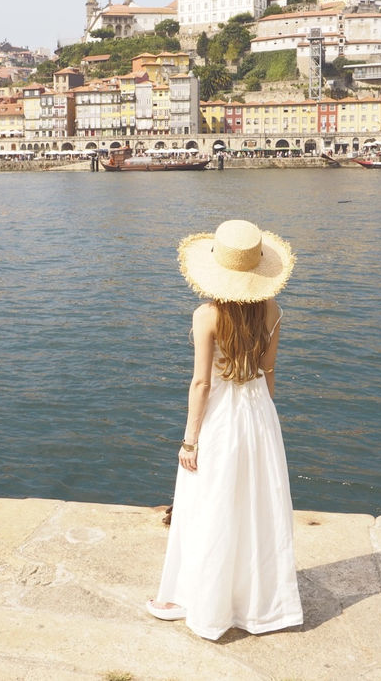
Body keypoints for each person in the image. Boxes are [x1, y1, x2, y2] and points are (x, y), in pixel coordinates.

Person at [146, 219, 303, 640]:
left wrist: (189, 440)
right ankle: (254, 603)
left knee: (207, 502)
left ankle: (194, 598)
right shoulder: (273, 311)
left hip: (221, 416)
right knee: (254, 504)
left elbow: (201, 383)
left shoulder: (207, 315)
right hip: (258, 410)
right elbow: (269, 371)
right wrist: (265, 419)